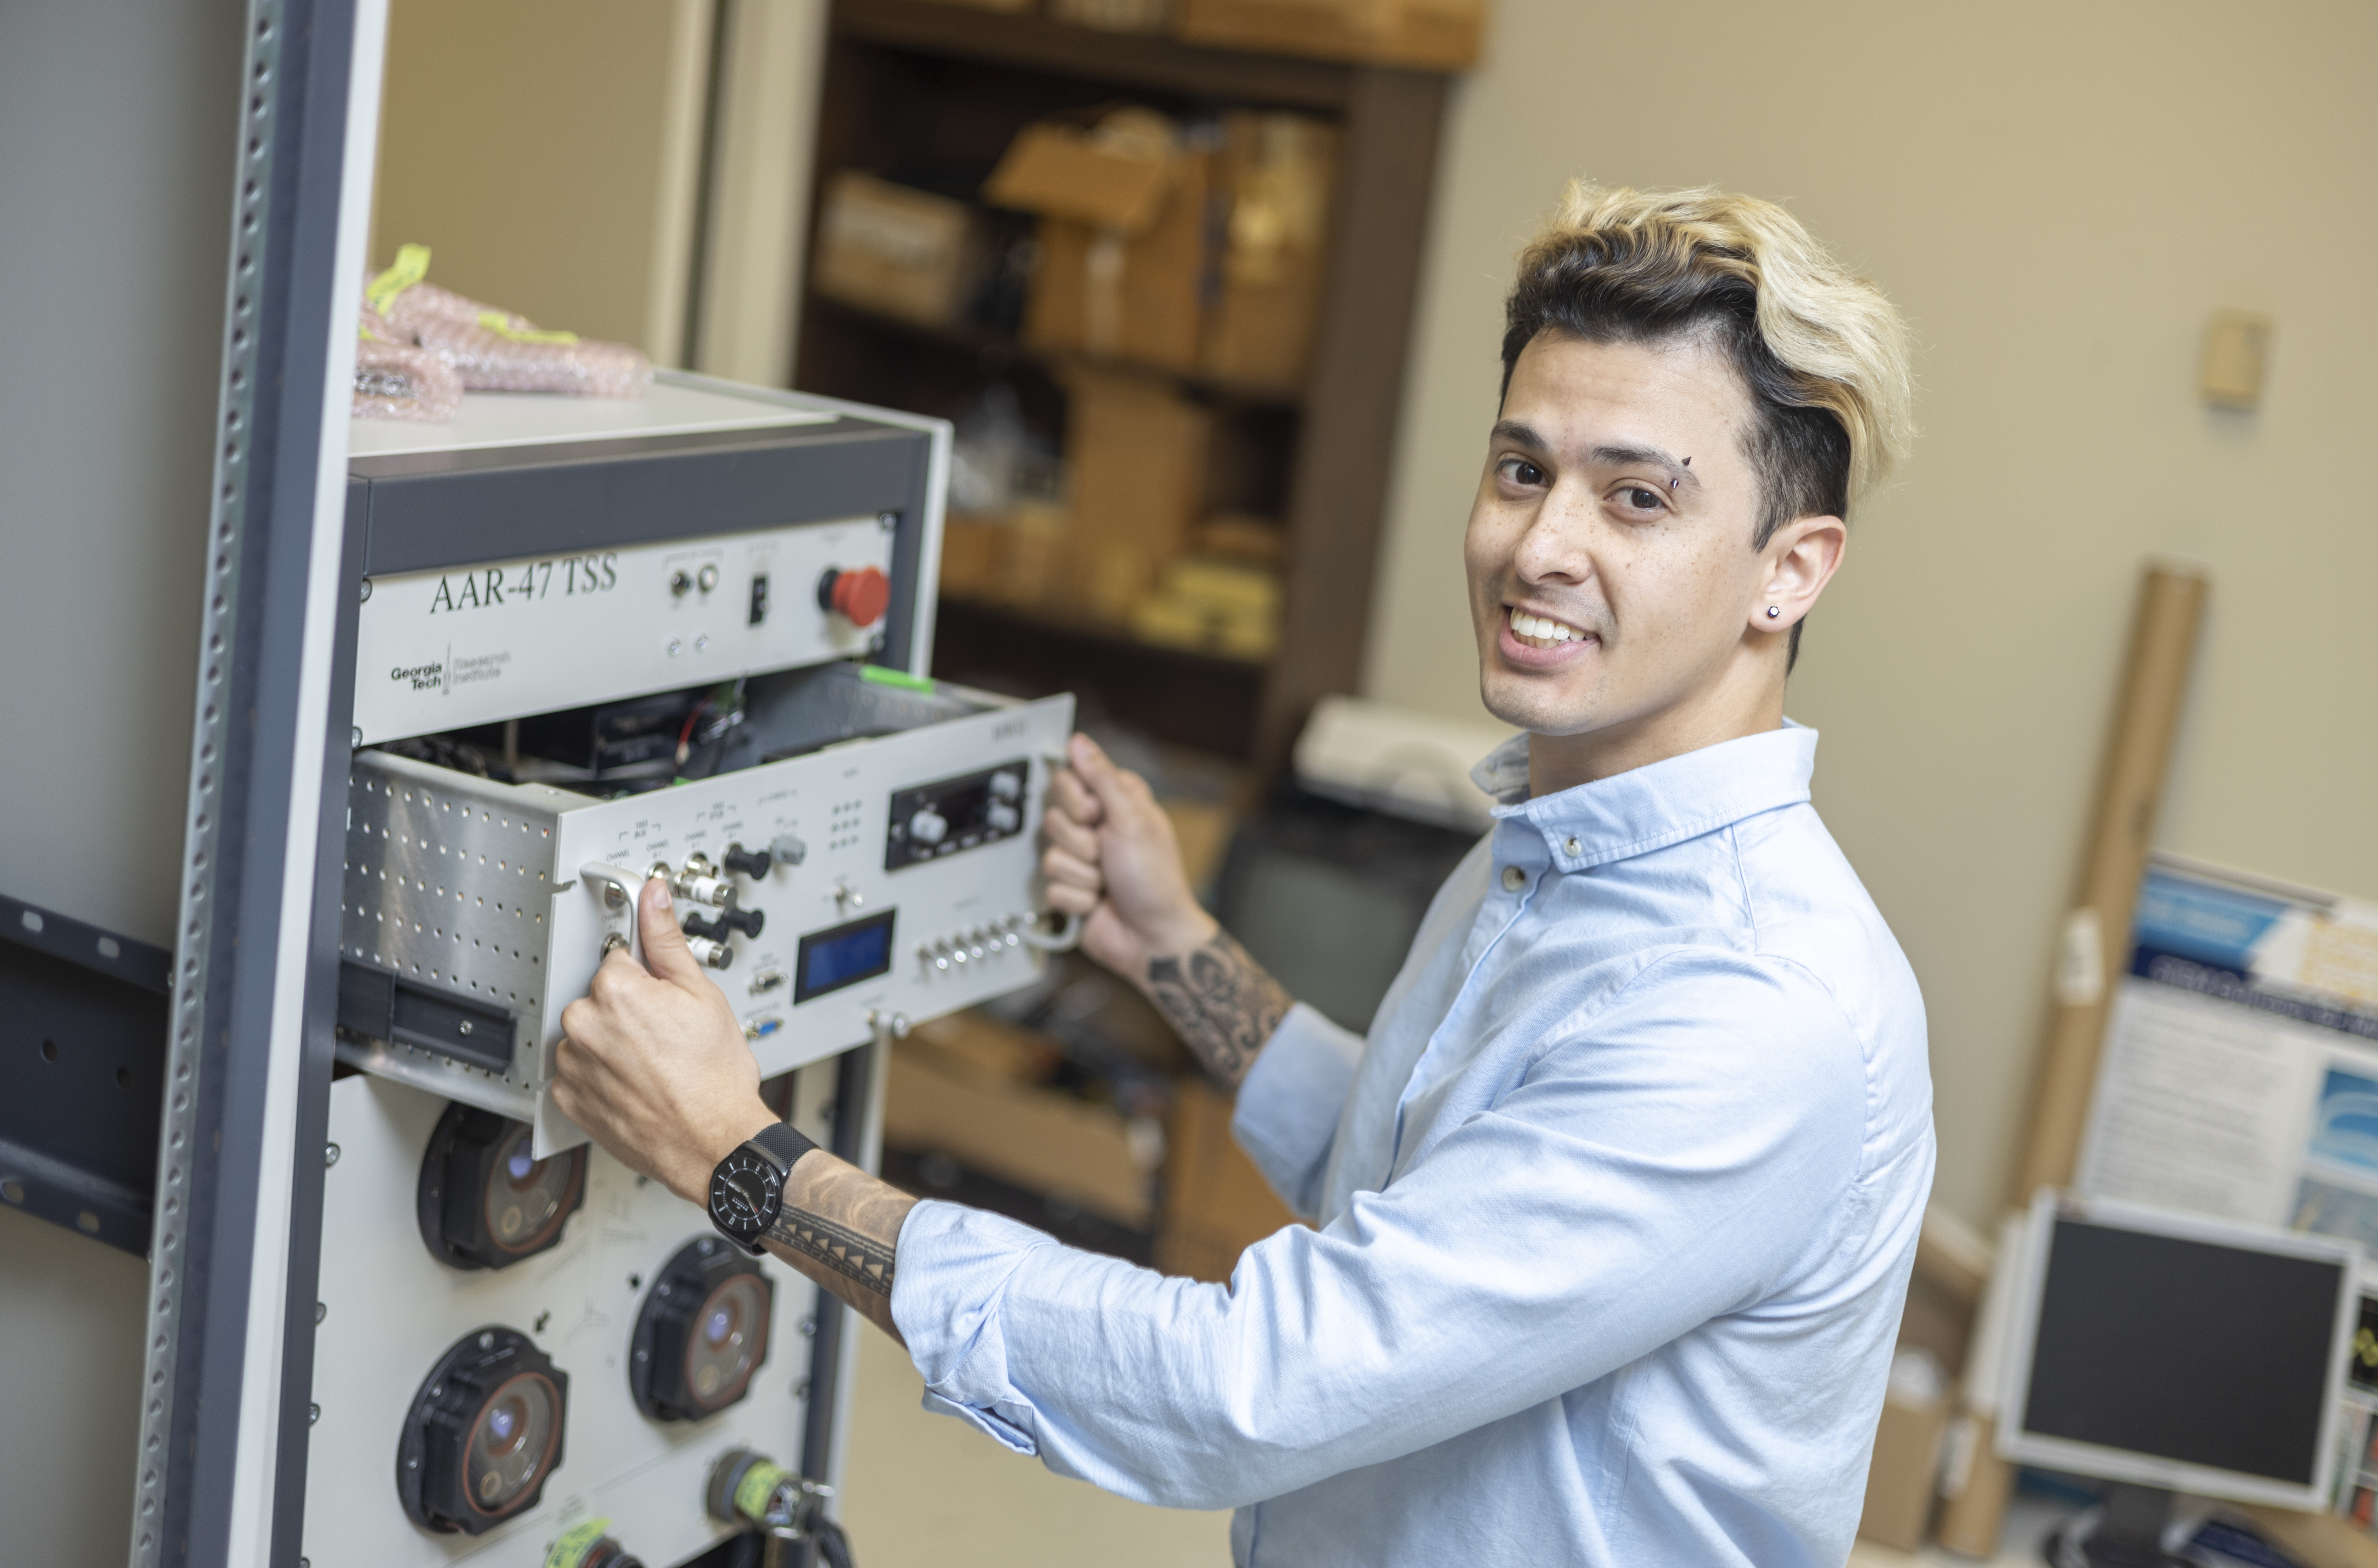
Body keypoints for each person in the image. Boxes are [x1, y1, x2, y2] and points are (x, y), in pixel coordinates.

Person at [553, 180, 1931, 1566]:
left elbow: (1244, 1388)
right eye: (1523, 470)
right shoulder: (1560, 843)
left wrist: (741, 1157)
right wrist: (1172, 947)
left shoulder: (1750, 1005)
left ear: (1789, 573)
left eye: (1635, 498)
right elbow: (1407, 1176)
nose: (1537, 546)